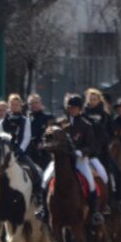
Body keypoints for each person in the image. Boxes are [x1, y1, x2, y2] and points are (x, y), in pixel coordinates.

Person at [42, 94, 103, 225]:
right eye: (70, 108)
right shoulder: (60, 124)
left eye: (75, 108)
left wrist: (81, 152)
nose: (72, 110)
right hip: (60, 160)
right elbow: (49, 139)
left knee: (91, 183)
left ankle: (94, 213)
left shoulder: (86, 125)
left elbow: (92, 146)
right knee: (45, 179)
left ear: (80, 109)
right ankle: (43, 210)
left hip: (80, 160)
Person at [0, 94, 43, 206]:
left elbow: (27, 137)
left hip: (20, 153)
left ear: (20, 106)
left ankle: (38, 196)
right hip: (5, 153)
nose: (14, 107)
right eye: (12, 105)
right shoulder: (3, 120)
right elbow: (0, 135)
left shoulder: (25, 120)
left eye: (17, 105)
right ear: (9, 106)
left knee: (35, 171)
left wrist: (20, 150)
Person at [84, 87, 120, 212]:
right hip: (85, 153)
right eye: (90, 99)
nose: (92, 101)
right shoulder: (82, 115)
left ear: (99, 100)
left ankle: (112, 201)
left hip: (102, 153)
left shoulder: (106, 116)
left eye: (95, 99)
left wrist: (106, 142)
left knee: (113, 174)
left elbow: (112, 134)